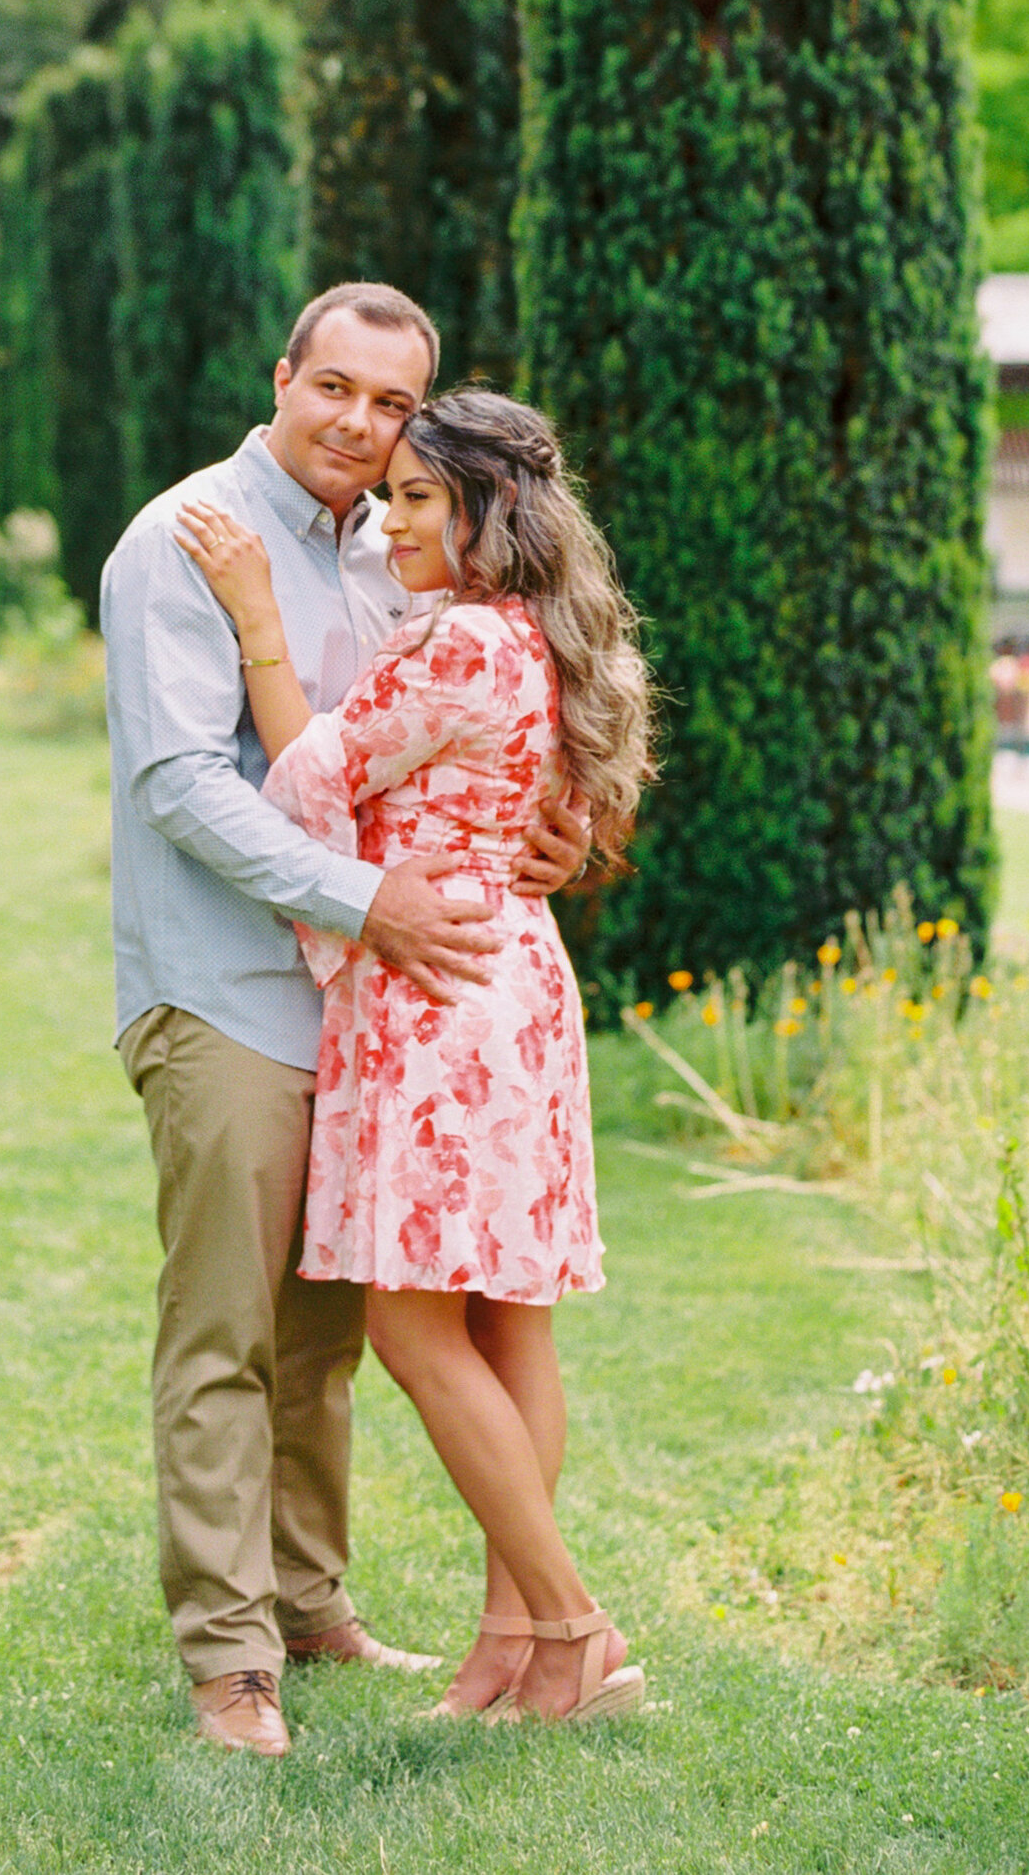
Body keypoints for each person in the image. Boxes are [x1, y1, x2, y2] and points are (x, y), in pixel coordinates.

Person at [101, 287, 594, 1758]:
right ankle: (231, 1662)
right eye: (337, 388)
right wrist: (370, 895)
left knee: (327, 1344)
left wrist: (544, 833)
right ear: (284, 377)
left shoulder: (396, 546)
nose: (361, 424)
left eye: (392, 405)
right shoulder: (183, 539)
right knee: (225, 1335)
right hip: (232, 993)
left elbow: (449, 737)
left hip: (379, 1016)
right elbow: (186, 785)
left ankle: (312, 1608)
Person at [175, 386, 655, 1728]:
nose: (392, 524)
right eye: (389, 497)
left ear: (489, 509)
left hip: (435, 997)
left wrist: (261, 622)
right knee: (512, 1316)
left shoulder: (454, 652)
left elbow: (306, 782)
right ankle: (514, 1644)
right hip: (514, 977)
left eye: (418, 498)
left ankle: (570, 1620)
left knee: (410, 1319)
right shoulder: (542, 641)